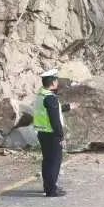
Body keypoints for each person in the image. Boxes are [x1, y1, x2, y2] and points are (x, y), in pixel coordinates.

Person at [33, 69, 77, 197]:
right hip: (52, 134)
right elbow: (55, 120)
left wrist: (68, 107)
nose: (57, 82)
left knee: (47, 161)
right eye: (56, 80)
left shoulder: (41, 94)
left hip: (42, 132)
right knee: (54, 162)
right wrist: (61, 136)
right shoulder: (50, 98)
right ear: (52, 82)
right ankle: (52, 190)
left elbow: (52, 110)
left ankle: (48, 187)